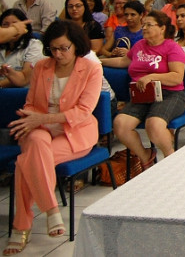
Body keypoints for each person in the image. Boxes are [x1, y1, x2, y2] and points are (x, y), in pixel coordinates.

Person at [5, 21, 102, 251]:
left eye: (63, 48)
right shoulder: (41, 67)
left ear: (76, 45)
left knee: (24, 163)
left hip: (75, 133)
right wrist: (34, 121)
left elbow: (83, 112)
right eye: (53, 49)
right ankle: (52, 210)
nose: (58, 54)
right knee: (37, 144)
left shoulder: (91, 68)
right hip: (39, 130)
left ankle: (21, 227)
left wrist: (41, 119)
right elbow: (31, 105)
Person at [101, 10, 185, 165]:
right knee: (120, 124)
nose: (144, 28)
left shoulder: (172, 47)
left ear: (162, 28)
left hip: (169, 94)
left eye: (149, 25)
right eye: (144, 24)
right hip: (141, 95)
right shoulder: (140, 45)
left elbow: (177, 77)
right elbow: (123, 62)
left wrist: (151, 77)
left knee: (153, 125)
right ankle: (146, 157)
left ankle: (171, 158)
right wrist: (99, 62)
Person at [0, 9, 43, 89]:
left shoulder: (34, 45)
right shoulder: (2, 44)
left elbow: (26, 78)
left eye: (15, 24)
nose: (10, 28)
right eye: (5, 24)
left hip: (19, 94)